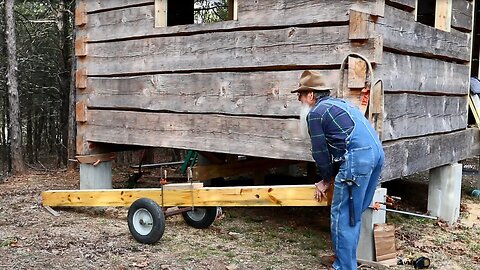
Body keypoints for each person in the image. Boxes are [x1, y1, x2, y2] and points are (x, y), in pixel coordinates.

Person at [292, 70, 385, 270]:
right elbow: (338, 146)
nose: (299, 100)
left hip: (358, 158)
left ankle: (343, 266)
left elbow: (321, 153)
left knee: (342, 213)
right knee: (353, 213)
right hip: (376, 153)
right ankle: (345, 260)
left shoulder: (316, 113)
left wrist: (325, 179)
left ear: (310, 95)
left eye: (300, 96)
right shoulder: (340, 104)